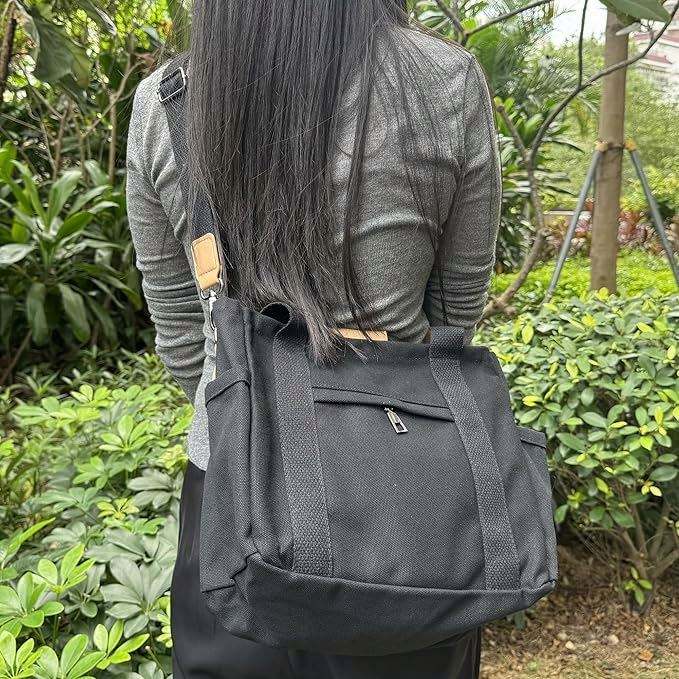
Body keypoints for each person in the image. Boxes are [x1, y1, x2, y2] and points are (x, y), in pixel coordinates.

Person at [127, 1, 501, 677]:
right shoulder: (445, 81)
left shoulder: (168, 101)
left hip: (231, 502)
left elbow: (181, 330)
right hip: (409, 499)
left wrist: (250, 418)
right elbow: (455, 314)